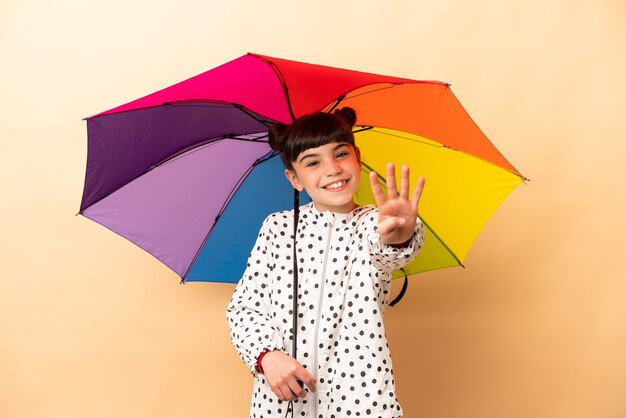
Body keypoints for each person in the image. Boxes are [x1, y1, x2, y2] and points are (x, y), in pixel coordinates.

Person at [226, 107, 425, 418]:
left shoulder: (374, 223)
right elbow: (243, 308)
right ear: (294, 178)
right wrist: (266, 356)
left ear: (357, 157)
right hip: (282, 404)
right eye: (313, 162)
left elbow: (388, 252)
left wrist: (400, 235)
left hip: (362, 404)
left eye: (341, 154)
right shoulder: (277, 228)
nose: (332, 168)